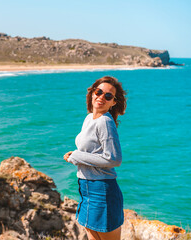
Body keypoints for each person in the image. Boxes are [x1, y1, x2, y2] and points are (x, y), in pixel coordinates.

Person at [64, 76, 127, 240]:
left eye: (108, 96)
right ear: (92, 93)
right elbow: (90, 152)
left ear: (113, 102)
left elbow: (114, 159)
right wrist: (74, 155)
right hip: (86, 188)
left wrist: (78, 156)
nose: (101, 97)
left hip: (102, 191)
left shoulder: (105, 122)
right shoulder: (89, 118)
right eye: (98, 92)